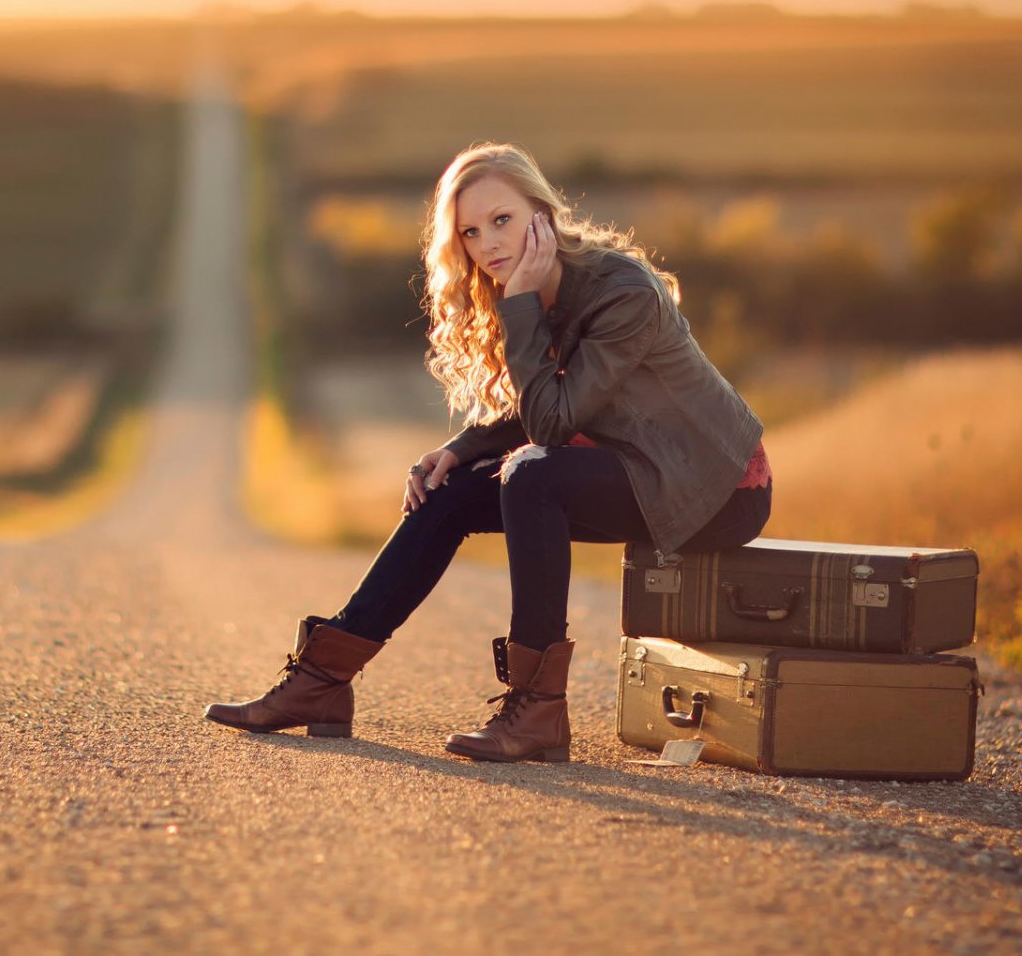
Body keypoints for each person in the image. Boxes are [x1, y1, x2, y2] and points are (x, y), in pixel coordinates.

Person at [205, 142, 771, 762]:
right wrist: (458, 447)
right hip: (633, 465)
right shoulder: (535, 288)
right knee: (447, 490)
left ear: (542, 211)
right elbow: (551, 403)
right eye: (471, 232)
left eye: (501, 220)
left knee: (531, 476)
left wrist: (521, 303)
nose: (490, 245)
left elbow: (552, 424)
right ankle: (320, 682)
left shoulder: (621, 292)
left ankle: (538, 712)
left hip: (715, 490)